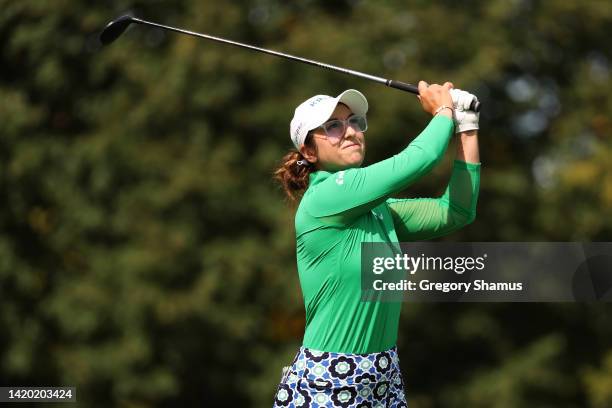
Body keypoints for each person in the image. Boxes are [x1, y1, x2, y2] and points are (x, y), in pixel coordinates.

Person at [273, 81, 481, 407]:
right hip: (329, 380)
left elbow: (455, 211)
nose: (351, 132)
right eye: (333, 127)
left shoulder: (376, 210)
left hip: (383, 377)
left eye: (355, 122)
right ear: (309, 151)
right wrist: (443, 111)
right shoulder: (326, 196)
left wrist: (466, 127)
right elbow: (419, 159)